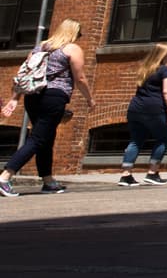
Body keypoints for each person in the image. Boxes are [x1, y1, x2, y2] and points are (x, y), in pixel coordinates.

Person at [0, 19, 95, 196]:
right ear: (74, 33)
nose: (79, 38)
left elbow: (24, 74)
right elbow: (80, 78)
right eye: (79, 35)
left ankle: (48, 181)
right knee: (38, 138)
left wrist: (15, 98)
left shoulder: (40, 47)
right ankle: (5, 177)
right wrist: (90, 99)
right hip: (54, 97)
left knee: (46, 138)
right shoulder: (71, 49)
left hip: (33, 97)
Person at [119, 43, 167, 186]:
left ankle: (126, 175)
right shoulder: (165, 70)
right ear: (163, 55)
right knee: (163, 138)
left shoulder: (144, 69)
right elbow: (166, 91)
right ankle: (152, 173)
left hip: (135, 108)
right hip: (155, 109)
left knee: (135, 140)